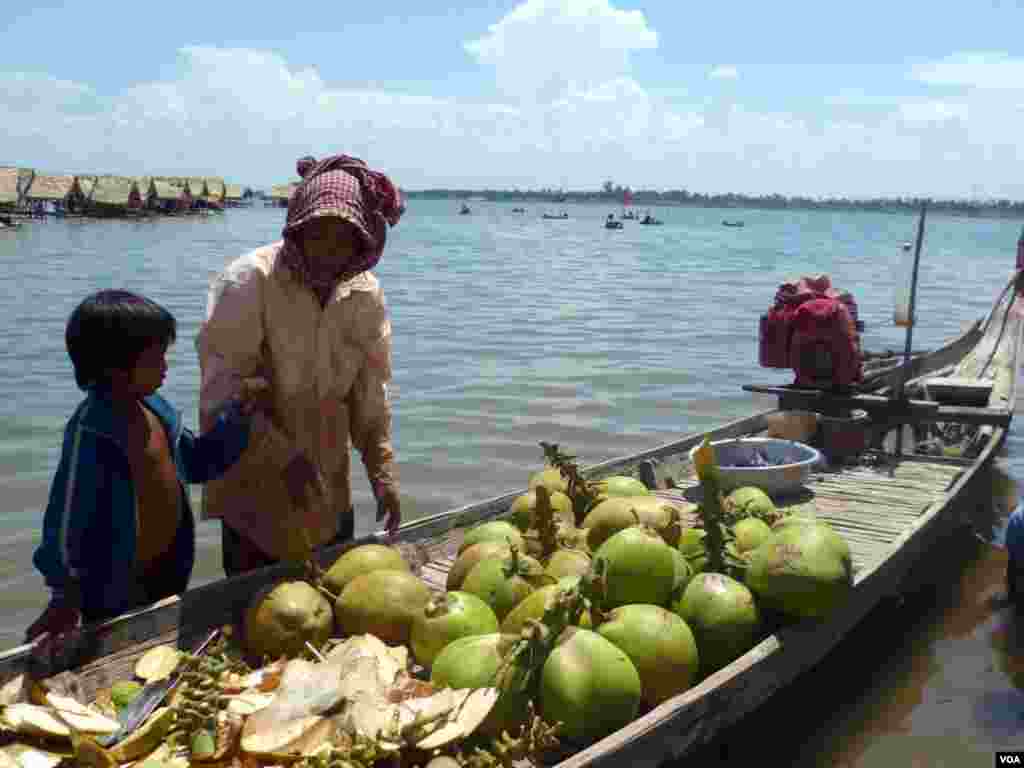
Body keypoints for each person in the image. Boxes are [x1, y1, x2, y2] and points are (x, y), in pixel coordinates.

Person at [196, 153, 404, 577]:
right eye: (318, 234)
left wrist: (382, 473)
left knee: (329, 607)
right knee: (257, 617)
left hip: (328, 494)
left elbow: (370, 396)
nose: (329, 250)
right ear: (298, 228)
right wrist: (281, 457)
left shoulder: (364, 294)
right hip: (254, 503)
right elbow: (221, 399)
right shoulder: (248, 282)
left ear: (362, 239)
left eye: (344, 236)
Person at [26, 290, 262, 650]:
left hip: (170, 568)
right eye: (156, 358)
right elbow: (65, 522)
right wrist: (64, 596)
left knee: (160, 650)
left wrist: (238, 418)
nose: (166, 366)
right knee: (121, 657)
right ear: (114, 367)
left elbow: (198, 461)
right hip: (113, 588)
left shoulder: (157, 410)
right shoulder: (91, 433)